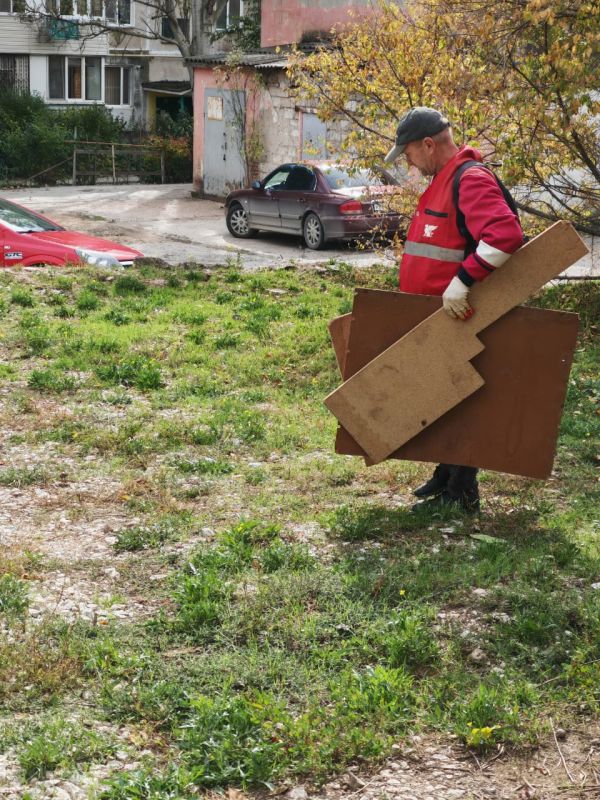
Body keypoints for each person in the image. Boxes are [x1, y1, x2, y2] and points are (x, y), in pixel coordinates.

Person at [384, 107, 524, 512]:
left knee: (460, 399)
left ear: (428, 145)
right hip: (438, 317)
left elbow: (504, 234)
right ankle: (446, 474)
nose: (407, 162)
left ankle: (461, 492)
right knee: (441, 395)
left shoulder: (470, 179)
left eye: (408, 153)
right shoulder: (444, 179)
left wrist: (461, 283)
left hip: (462, 315)